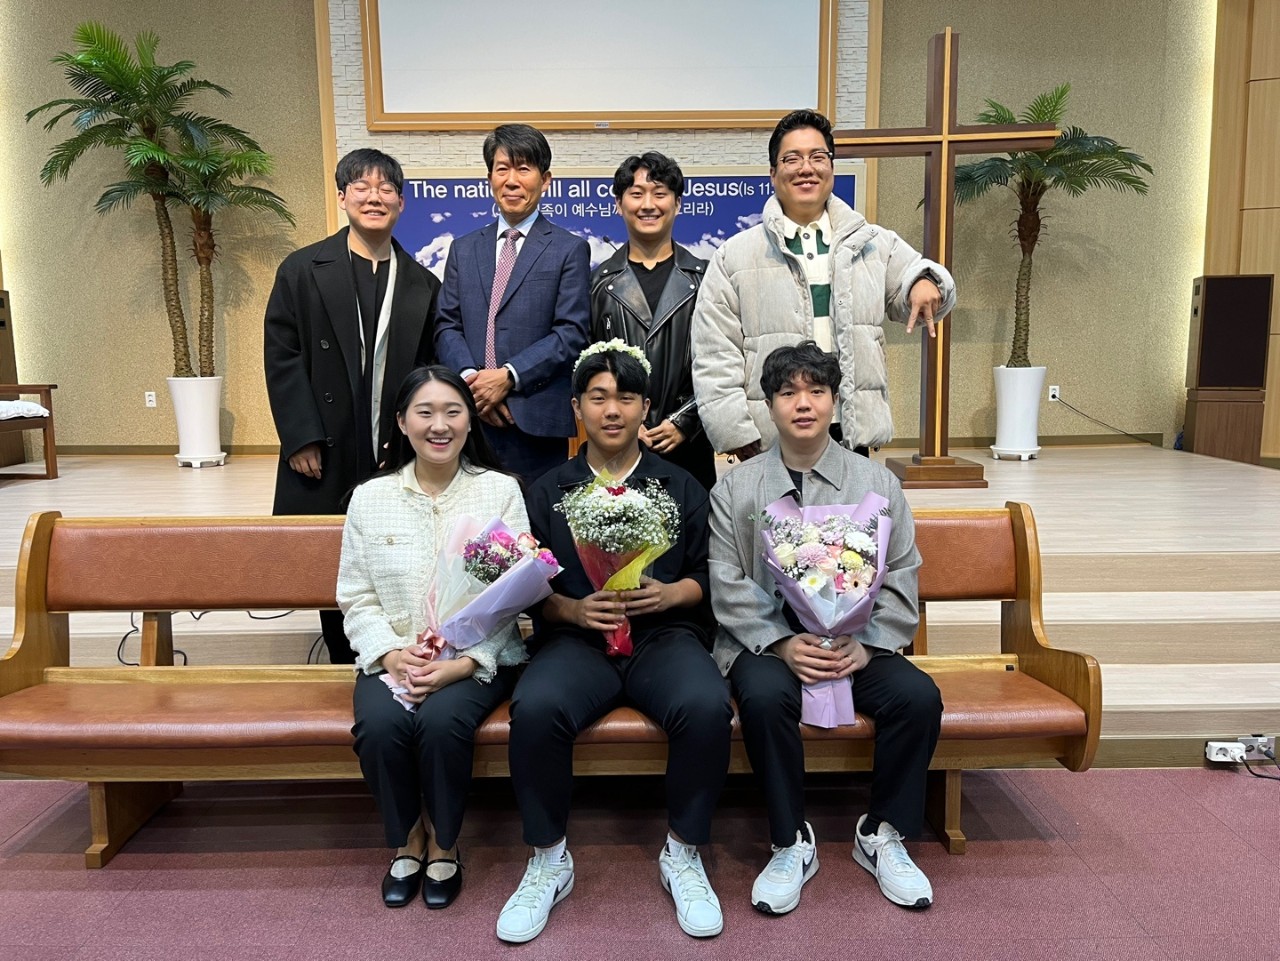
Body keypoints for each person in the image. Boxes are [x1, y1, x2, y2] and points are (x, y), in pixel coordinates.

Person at [495, 342, 732, 943]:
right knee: (536, 707)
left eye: (626, 398)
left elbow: (711, 576)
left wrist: (672, 594)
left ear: (646, 408)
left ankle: (684, 851)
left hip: (663, 637)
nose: (612, 410)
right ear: (577, 407)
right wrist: (573, 609)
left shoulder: (680, 485)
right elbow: (528, 587)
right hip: (577, 641)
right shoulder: (548, 490)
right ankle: (548, 857)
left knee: (706, 704)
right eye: (598, 397)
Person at [708, 341, 942, 913]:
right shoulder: (736, 488)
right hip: (770, 645)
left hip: (857, 644)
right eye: (788, 392)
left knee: (918, 698)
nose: (803, 403)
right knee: (764, 699)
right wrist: (783, 643)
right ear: (769, 405)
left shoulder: (877, 484)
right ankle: (790, 840)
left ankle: (881, 832)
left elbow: (902, 572)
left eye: (816, 391)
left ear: (835, 401)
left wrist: (868, 646)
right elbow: (726, 580)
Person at [337, 365, 528, 910]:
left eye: (452, 411)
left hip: (475, 659)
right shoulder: (370, 498)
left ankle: (445, 842)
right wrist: (390, 654)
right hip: (395, 656)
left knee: (443, 724)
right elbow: (356, 594)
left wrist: (465, 663)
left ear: (470, 420)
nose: (439, 425)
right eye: (425, 412)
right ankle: (408, 839)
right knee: (380, 727)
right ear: (402, 422)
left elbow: (512, 595)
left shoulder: (500, 491)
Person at [692, 109, 957, 461]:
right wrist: (735, 431)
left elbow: (921, 280)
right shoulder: (734, 256)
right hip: (769, 436)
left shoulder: (872, 243)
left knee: (852, 501)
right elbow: (714, 352)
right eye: (792, 159)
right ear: (773, 173)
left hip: (849, 430)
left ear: (831, 167)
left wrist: (924, 281)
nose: (806, 168)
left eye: (818, 157)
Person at [265, 148, 441, 664]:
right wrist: (301, 435)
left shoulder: (422, 283)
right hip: (325, 440)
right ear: (342, 197)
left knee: (391, 548)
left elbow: (429, 369)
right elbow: (283, 356)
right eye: (361, 187)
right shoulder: (302, 269)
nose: (374, 197)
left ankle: (392, 650)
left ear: (401, 203)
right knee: (328, 550)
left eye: (386, 188)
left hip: (392, 445)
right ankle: (343, 656)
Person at [435, 123, 590, 486]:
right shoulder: (463, 248)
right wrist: (473, 384)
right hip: (469, 420)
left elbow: (571, 333)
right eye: (502, 169)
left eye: (524, 169)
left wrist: (507, 376)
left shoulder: (569, 249)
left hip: (534, 424)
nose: (512, 180)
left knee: (534, 519)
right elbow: (446, 325)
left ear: (545, 180)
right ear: (489, 178)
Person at [589, 152, 715, 490]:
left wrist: (685, 421)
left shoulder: (706, 279)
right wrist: (628, 422)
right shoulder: (597, 284)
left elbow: (723, 363)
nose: (648, 205)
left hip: (690, 449)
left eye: (659, 194)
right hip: (618, 447)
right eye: (636, 194)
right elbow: (585, 369)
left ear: (678, 203)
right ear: (619, 204)